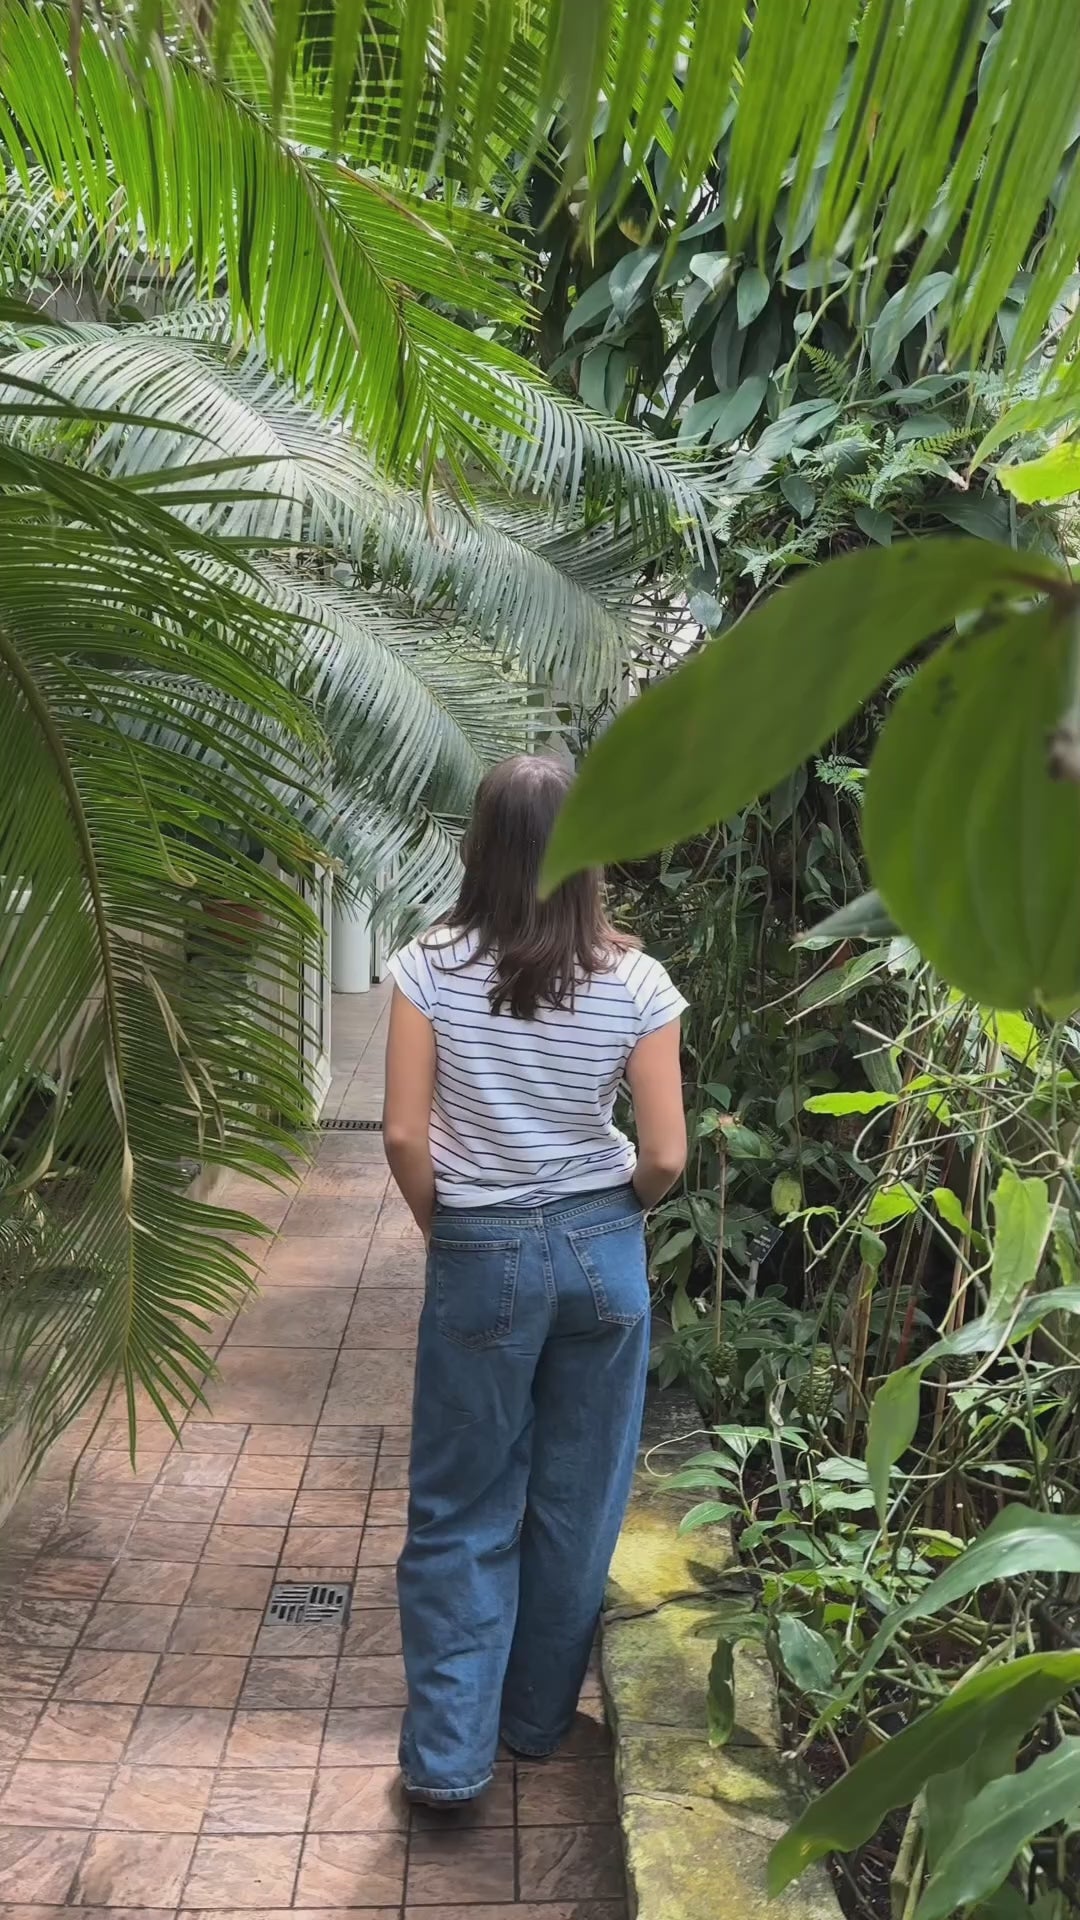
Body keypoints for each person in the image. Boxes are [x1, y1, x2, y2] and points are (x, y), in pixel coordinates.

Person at [382, 753, 687, 1807]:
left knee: (462, 1502)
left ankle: (447, 1759)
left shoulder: (427, 967)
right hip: (603, 1249)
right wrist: (611, 1221)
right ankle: (536, 1723)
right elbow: (666, 1154)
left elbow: (403, 1134)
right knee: (578, 1496)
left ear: (479, 846)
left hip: (479, 1245)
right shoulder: (637, 982)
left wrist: (447, 1227)